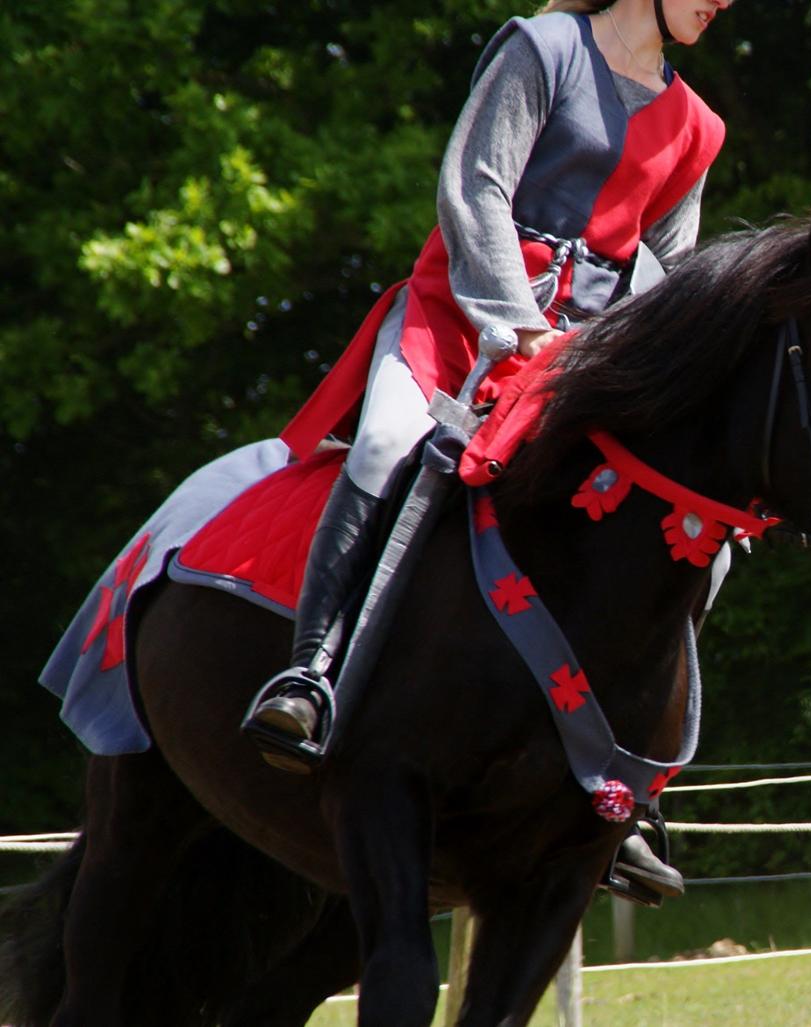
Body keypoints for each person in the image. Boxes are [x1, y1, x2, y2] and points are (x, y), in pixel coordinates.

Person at [242, 0, 732, 900]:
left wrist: (624, 364)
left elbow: (671, 276)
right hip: (461, 321)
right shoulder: (540, 47)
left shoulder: (699, 128)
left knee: (696, 528)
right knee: (387, 441)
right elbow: (477, 187)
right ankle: (309, 674)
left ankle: (629, 784)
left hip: (583, 361)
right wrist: (518, 324)